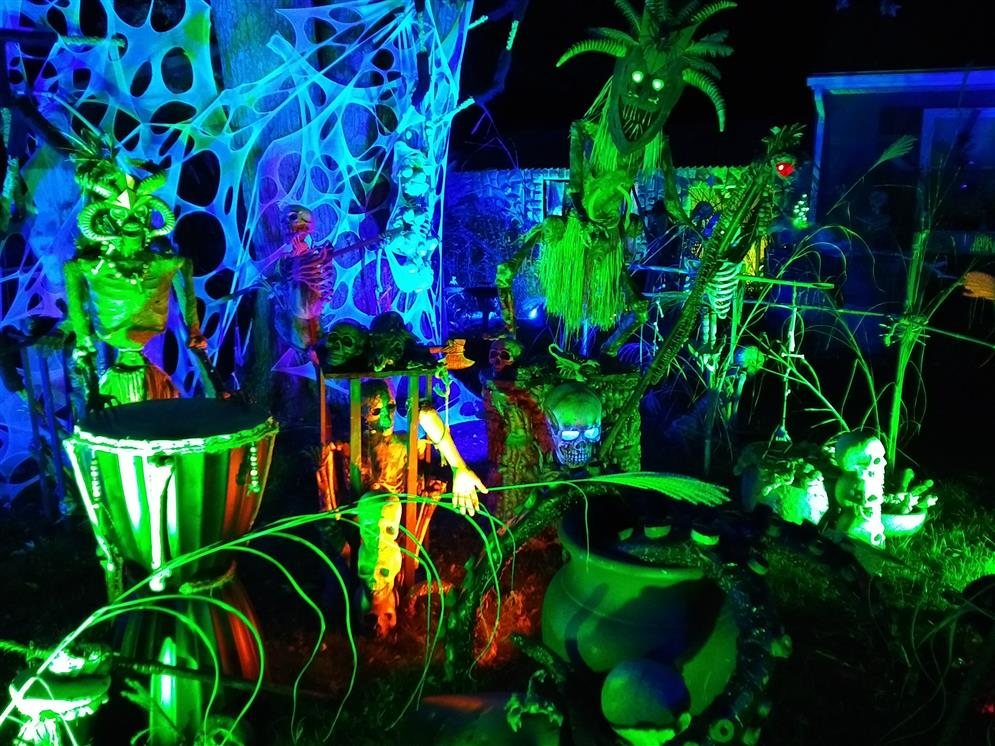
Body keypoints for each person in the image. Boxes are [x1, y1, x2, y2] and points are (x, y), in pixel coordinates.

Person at [318, 379, 486, 636]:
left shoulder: (349, 555)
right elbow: (425, 414)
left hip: (361, 497)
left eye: (390, 408)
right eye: (388, 614)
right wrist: (458, 467)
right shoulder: (407, 556)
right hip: (391, 495)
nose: (387, 418)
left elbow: (424, 415)